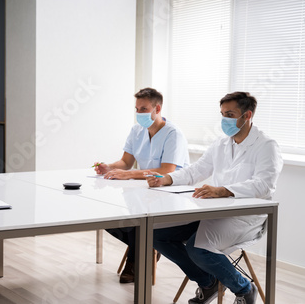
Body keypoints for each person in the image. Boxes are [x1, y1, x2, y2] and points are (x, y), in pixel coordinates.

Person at [146, 92, 283, 304]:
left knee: (198, 248)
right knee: (155, 235)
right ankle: (208, 282)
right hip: (213, 212)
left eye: (230, 114)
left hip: (245, 217)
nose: (224, 120)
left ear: (247, 115)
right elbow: (196, 170)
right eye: (222, 114)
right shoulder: (221, 144)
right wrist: (167, 179)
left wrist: (224, 190)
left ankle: (244, 288)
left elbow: (264, 185)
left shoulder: (266, 145)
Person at [94, 88, 190, 283]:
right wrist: (109, 167)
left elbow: (167, 170)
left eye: (144, 108)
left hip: (171, 190)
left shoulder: (173, 133)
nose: (139, 113)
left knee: (136, 223)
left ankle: (136, 261)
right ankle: (146, 250)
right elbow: (126, 162)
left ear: (157, 108)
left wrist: (127, 175)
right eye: (137, 109)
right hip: (146, 189)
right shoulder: (136, 130)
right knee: (108, 220)